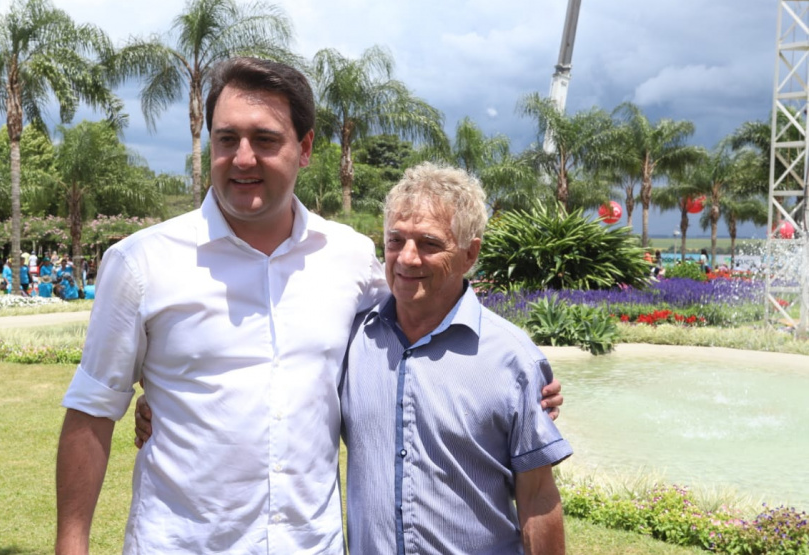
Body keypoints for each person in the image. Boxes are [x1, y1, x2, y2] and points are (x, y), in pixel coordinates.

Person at [56, 57, 563, 555]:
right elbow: (92, 411)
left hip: (309, 544)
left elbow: (419, 325)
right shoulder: (142, 262)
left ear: (305, 148)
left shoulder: (349, 257)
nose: (243, 158)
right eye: (227, 138)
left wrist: (511, 378)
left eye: (266, 140)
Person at [135, 163, 570, 554]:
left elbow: (536, 498)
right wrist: (170, 404)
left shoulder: (513, 361)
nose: (407, 258)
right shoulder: (356, 340)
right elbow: (282, 379)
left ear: (470, 254)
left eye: (430, 244)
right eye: (395, 241)